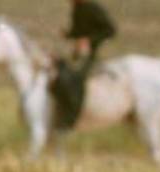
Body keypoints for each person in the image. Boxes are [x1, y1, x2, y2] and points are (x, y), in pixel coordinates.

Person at [49, 0, 116, 131]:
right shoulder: (77, 8)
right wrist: (68, 34)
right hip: (77, 52)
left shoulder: (92, 8)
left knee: (74, 79)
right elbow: (78, 32)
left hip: (92, 53)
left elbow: (110, 30)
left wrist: (89, 40)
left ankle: (71, 118)